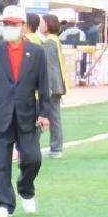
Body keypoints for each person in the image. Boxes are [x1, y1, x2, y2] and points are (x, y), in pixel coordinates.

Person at [0, 5, 50, 217]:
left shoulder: (37, 52)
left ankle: (26, 189)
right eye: (6, 24)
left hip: (28, 114)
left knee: (33, 158)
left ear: (23, 26)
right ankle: (4, 203)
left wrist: (45, 113)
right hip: (0, 113)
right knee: (0, 162)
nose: (9, 28)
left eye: (13, 24)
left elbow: (43, 85)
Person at [41, 13, 67, 158]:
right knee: (54, 116)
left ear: (48, 25)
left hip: (52, 85)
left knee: (52, 116)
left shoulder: (49, 43)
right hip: (57, 84)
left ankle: (56, 148)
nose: (41, 25)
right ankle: (56, 148)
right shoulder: (54, 40)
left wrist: (49, 86)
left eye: (43, 23)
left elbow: (50, 66)